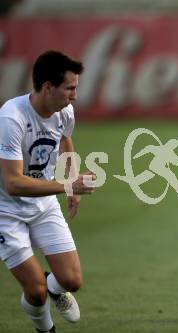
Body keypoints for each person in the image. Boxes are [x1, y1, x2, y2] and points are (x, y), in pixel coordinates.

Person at [0, 50, 96, 333]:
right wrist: (66, 185)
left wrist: (72, 178)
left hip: (43, 204)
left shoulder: (64, 111)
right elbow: (13, 183)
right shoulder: (11, 118)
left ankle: (55, 290)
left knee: (72, 281)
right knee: (36, 292)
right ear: (47, 87)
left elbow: (66, 140)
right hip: (6, 211)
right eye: (70, 88)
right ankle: (46, 329)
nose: (75, 96)